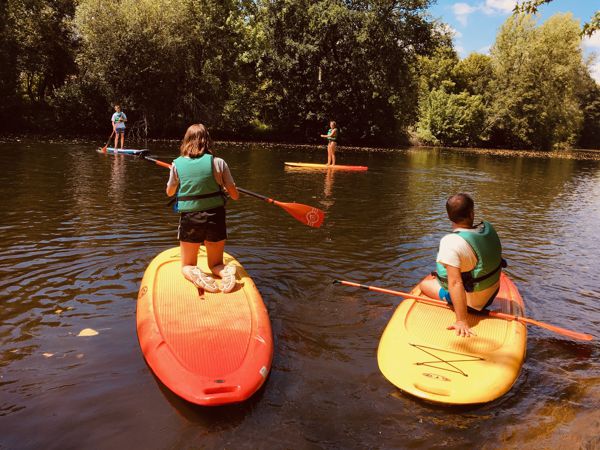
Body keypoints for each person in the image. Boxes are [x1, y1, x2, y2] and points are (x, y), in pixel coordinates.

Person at [166, 124, 240, 293]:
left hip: (191, 218)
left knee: (186, 265)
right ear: (207, 141)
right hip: (216, 217)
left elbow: (170, 192)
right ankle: (225, 271)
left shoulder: (177, 164)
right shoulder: (219, 163)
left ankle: (194, 272)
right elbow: (235, 195)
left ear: (186, 141)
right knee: (215, 263)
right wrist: (228, 186)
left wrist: (174, 173)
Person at [419, 193, 505, 337]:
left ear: (449, 217)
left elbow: (455, 283)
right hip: (492, 293)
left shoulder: (451, 242)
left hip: (474, 304)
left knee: (424, 285)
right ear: (472, 213)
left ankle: (452, 302)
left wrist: (461, 321)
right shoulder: (487, 229)